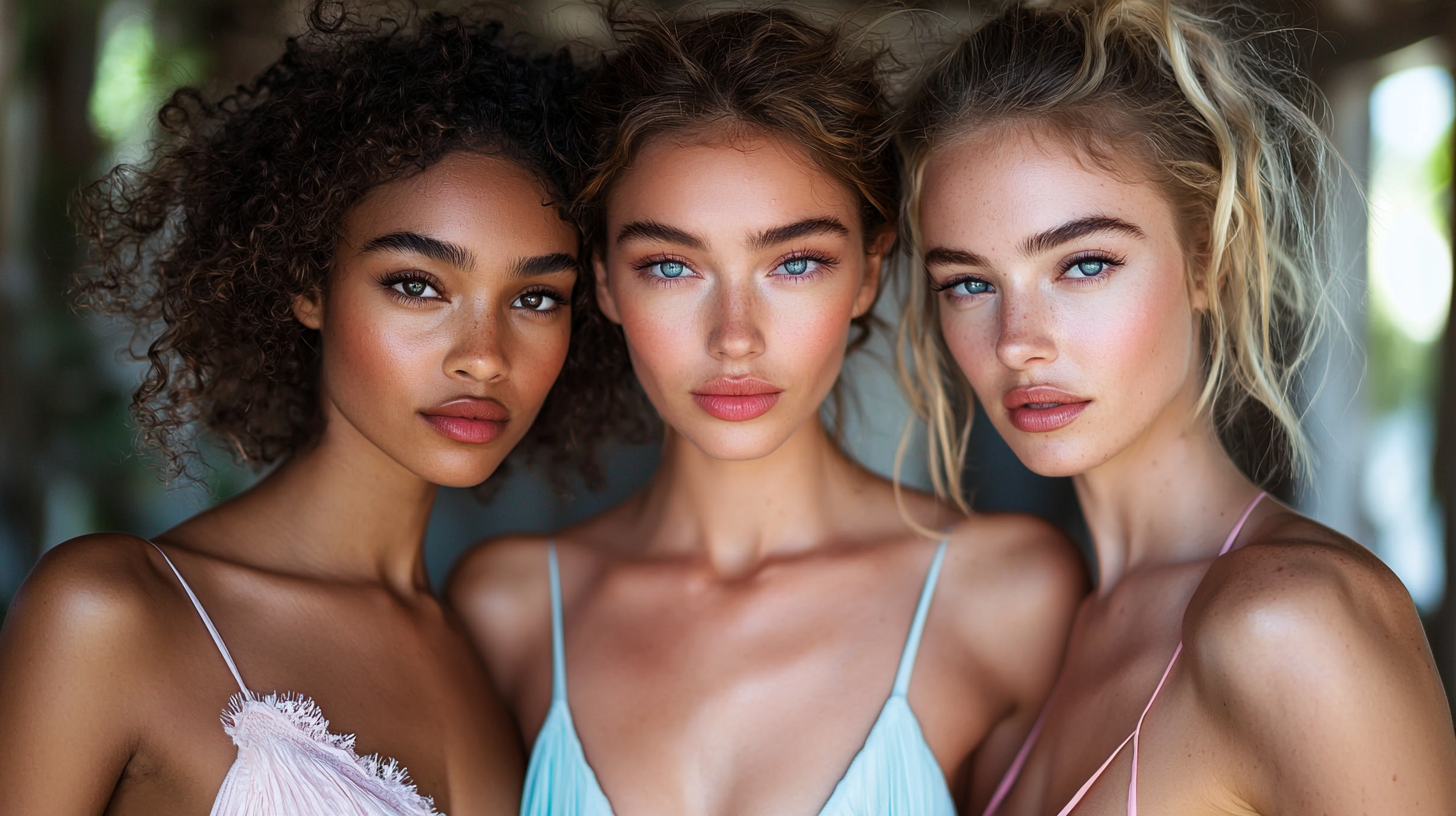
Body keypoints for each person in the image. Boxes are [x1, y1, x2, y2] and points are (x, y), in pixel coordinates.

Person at [448, 7, 1086, 816]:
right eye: (671, 267)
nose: (735, 339)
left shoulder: (1004, 593)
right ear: (604, 280)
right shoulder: (511, 609)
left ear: (867, 271)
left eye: (795, 262)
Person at [0, 5, 608, 814]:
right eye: (417, 285)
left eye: (535, 296)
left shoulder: (496, 665)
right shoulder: (115, 614)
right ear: (307, 283)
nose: (485, 354)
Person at [898, 1, 1456, 814]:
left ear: (1208, 260)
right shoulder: (1046, 638)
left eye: (1084, 264)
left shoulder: (1291, 622)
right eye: (970, 283)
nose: (1018, 341)